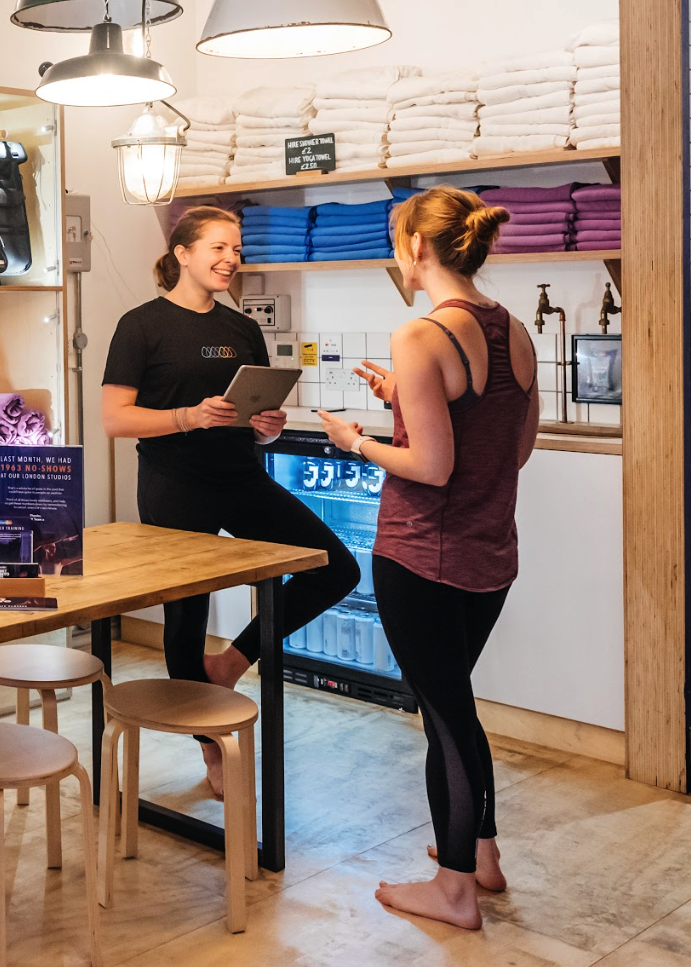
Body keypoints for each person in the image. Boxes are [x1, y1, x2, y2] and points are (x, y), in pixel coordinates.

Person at [317, 185, 539, 931]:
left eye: (393, 238)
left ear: (416, 247)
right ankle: (482, 855)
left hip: (422, 556)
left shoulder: (420, 336)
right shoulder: (515, 332)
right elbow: (513, 448)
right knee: (458, 706)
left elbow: (433, 467)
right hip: (490, 555)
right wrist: (405, 406)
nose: (392, 253)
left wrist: (357, 441)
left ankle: (452, 890)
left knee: (442, 717)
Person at [102, 205, 360, 796]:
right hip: (174, 485)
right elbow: (115, 419)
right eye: (218, 248)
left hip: (242, 477)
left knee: (336, 568)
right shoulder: (140, 325)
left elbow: (258, 424)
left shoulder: (241, 329)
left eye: (237, 251)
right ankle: (212, 748)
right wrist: (187, 416)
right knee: (185, 618)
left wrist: (268, 424)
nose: (230, 260)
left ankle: (232, 664)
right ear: (183, 254)